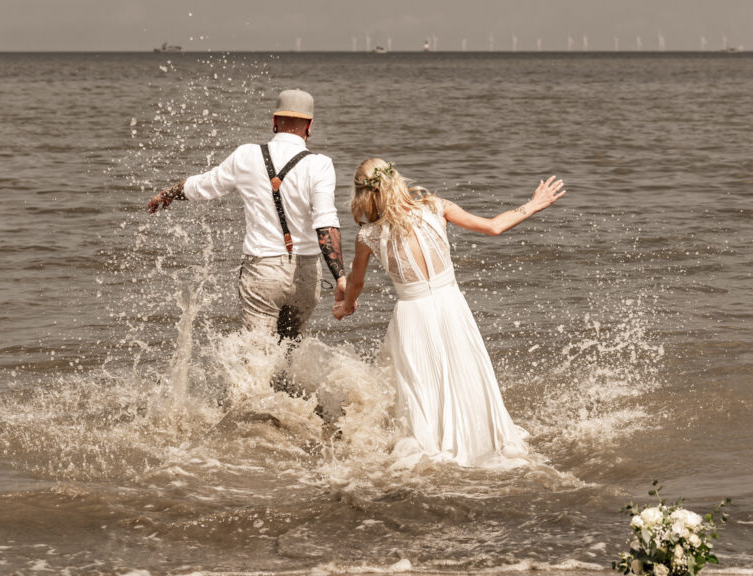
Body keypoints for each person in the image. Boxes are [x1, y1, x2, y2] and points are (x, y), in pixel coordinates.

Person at [333, 159, 565, 469]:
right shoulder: (436, 207)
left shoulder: (369, 236)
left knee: (420, 388)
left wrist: (344, 305)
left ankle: (430, 444)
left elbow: (357, 285)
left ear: (363, 194)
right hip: (452, 307)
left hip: (412, 316)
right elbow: (494, 226)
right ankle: (478, 438)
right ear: (397, 180)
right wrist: (533, 205)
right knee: (465, 374)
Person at [147, 89, 346, 340]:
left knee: (256, 356)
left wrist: (168, 193)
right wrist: (340, 277)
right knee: (289, 351)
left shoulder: (247, 155)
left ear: (275, 121)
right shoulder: (320, 164)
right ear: (310, 125)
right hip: (306, 275)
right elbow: (326, 223)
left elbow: (203, 186)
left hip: (263, 271)